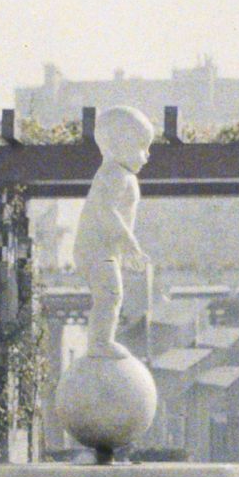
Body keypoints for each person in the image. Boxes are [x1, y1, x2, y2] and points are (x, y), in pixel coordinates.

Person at [74, 104, 154, 355]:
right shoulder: (115, 174)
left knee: (110, 294)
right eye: (143, 147)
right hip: (96, 249)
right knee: (109, 295)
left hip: (103, 250)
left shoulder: (120, 175)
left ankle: (101, 341)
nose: (147, 155)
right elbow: (106, 210)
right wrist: (129, 242)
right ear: (120, 145)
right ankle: (99, 342)